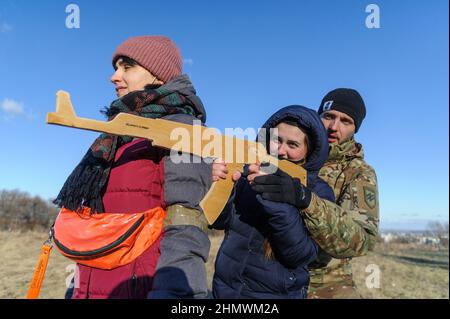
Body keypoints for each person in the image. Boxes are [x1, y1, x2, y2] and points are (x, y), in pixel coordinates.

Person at [55, 35, 212, 299]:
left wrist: (173, 295)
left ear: (159, 75)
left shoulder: (182, 129)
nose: (114, 76)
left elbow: (186, 223)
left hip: (141, 286)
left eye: (127, 67)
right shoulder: (115, 135)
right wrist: (76, 289)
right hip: (92, 282)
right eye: (116, 68)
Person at [210, 105, 335, 299]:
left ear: (308, 151)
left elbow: (300, 255)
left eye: (293, 145)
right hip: (226, 290)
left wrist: (279, 201)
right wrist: (219, 183)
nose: (281, 150)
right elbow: (219, 222)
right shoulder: (248, 173)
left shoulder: (318, 191)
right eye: (277, 140)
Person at [299, 88, 380, 298]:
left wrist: (308, 203)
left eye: (346, 121)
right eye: (329, 116)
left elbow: (362, 240)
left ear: (355, 129)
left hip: (326, 286)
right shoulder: (290, 152)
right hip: (271, 280)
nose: (334, 127)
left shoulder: (358, 172)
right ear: (318, 116)